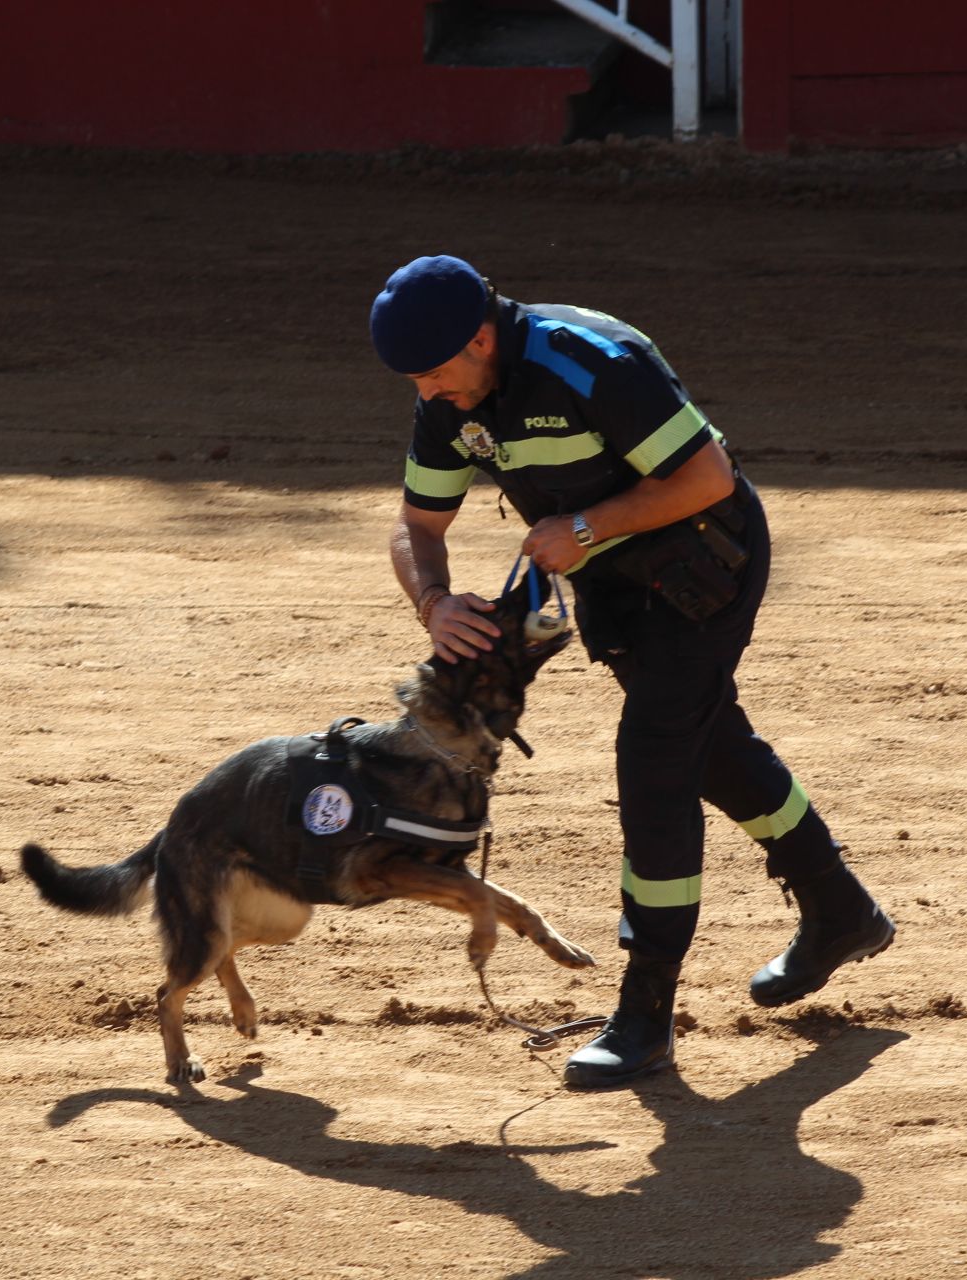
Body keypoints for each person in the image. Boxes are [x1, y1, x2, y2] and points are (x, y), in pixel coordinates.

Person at [371, 254, 895, 1090]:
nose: (428, 392)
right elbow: (416, 526)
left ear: (479, 337)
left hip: (706, 564)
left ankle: (645, 1015)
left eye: (435, 373)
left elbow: (705, 477)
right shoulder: (449, 395)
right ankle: (841, 911)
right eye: (416, 380)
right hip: (614, 585)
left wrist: (581, 526)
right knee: (708, 743)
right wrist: (433, 600)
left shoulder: (590, 361)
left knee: (655, 759)